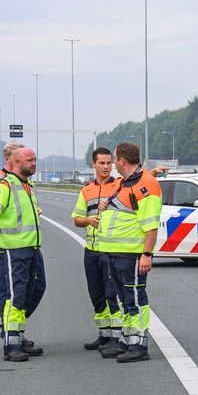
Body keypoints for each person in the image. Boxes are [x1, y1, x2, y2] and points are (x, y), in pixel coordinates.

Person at [96, 142, 161, 363]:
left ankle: (139, 345)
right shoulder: (126, 183)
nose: (113, 163)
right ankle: (127, 340)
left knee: (135, 299)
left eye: (114, 159)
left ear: (122, 160)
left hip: (132, 253)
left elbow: (151, 224)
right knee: (125, 299)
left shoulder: (145, 184)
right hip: (115, 252)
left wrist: (147, 254)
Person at [72, 147, 123, 351]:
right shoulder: (86, 190)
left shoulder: (119, 186)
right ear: (93, 164)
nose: (106, 166)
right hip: (91, 250)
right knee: (96, 294)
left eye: (109, 163)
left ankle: (117, 337)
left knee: (112, 293)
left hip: (110, 249)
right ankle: (104, 335)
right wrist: (88, 220)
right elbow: (77, 219)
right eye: (101, 163)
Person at [1, 144, 47, 362]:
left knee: (36, 287)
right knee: (15, 296)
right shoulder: (6, 185)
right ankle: (11, 344)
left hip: (32, 247)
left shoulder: (28, 184)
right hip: (14, 249)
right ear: (16, 162)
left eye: (35, 160)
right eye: (29, 160)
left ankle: (17, 335)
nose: (34, 163)